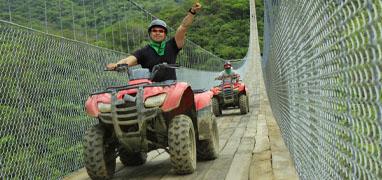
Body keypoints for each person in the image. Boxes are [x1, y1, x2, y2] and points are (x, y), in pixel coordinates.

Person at [106, 3, 202, 82]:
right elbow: (128, 61)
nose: (157, 33)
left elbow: (183, 28)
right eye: (154, 31)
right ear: (150, 33)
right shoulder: (144, 51)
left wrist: (192, 12)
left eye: (161, 31)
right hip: (150, 87)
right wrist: (116, 65)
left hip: (170, 86)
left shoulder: (172, 45)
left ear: (165, 34)